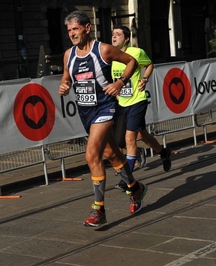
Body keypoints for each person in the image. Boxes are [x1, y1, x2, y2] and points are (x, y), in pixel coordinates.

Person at [58, 11, 148, 227]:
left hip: (105, 108)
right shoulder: (68, 54)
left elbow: (132, 62)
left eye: (75, 29)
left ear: (87, 28)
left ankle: (99, 210)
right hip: (85, 111)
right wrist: (64, 84)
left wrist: (120, 83)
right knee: (110, 153)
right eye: (69, 30)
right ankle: (136, 188)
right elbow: (66, 76)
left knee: (91, 155)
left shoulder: (104, 49)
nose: (72, 34)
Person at [111, 25, 172, 191]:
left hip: (138, 100)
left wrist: (144, 78)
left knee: (130, 138)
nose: (114, 37)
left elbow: (150, 64)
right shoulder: (111, 56)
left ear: (127, 38)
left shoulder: (136, 53)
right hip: (122, 103)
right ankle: (163, 152)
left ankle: (127, 178)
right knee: (140, 135)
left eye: (118, 34)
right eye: (112, 34)